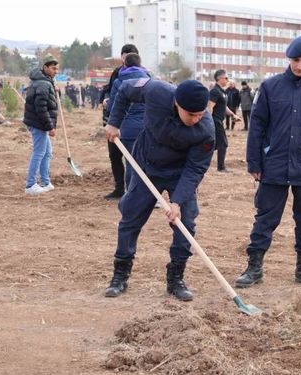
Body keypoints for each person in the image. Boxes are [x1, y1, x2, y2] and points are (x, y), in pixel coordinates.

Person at [235, 35, 301, 288]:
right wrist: (254, 163)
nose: (300, 66)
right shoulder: (271, 87)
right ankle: (254, 268)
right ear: (288, 59)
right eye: (295, 60)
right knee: (265, 218)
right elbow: (257, 127)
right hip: (275, 165)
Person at [103, 79, 215, 300]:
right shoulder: (156, 92)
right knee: (130, 218)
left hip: (179, 173)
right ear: (176, 103)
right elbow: (125, 90)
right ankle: (120, 275)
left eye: (200, 114)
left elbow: (195, 169)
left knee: (186, 224)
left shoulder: (206, 130)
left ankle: (176, 278)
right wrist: (114, 122)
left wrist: (178, 201)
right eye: (191, 114)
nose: (196, 119)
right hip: (146, 166)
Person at [101, 44, 140, 200]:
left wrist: (108, 103)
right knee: (116, 155)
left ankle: (131, 193)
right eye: (126, 54)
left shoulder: (124, 77)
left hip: (122, 122)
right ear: (122, 55)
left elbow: (114, 101)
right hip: (121, 121)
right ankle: (120, 188)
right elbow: (109, 89)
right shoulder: (118, 73)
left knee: (132, 158)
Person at [107, 53, 149, 189]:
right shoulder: (149, 79)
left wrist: (106, 104)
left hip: (128, 128)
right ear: (140, 65)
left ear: (124, 64)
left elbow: (115, 106)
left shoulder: (119, 82)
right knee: (148, 161)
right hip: (148, 126)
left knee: (131, 162)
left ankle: (132, 196)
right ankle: (150, 197)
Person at [23, 55, 59, 196]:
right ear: (45, 67)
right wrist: (50, 126)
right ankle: (30, 185)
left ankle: (45, 181)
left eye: (57, 68)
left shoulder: (45, 81)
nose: (56, 71)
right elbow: (41, 108)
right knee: (39, 152)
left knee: (47, 152)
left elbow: (49, 102)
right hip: (38, 123)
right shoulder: (43, 84)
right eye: (53, 68)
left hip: (39, 122)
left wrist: (55, 91)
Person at [207, 69, 240, 172]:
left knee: (214, 144)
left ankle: (202, 162)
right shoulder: (214, 91)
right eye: (226, 78)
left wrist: (233, 115)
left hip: (219, 120)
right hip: (215, 121)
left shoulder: (222, 92)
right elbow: (210, 107)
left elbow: (224, 107)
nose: (227, 80)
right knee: (223, 143)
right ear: (219, 78)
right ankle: (221, 167)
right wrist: (209, 123)